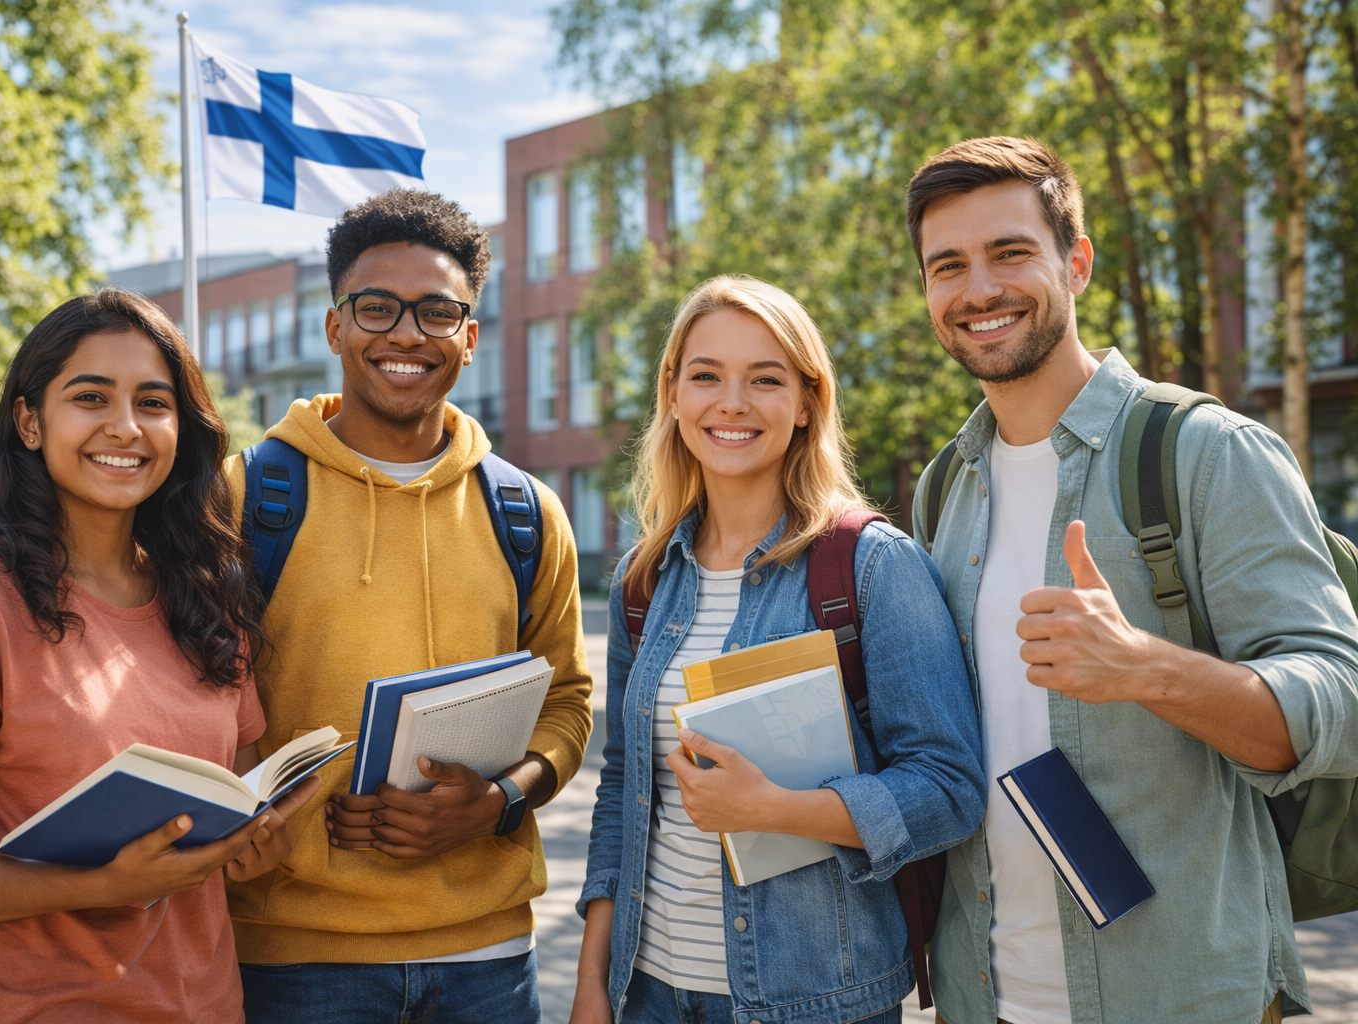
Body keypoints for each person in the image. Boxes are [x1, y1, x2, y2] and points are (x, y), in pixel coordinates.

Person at [905, 136, 1358, 1024]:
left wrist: (1146, 668)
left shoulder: (1206, 453)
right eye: (946, 265)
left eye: (1010, 253)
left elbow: (1340, 699)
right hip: (981, 993)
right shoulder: (944, 487)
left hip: (1184, 992)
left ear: (1075, 264)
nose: (978, 289)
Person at [0, 289, 317, 1023]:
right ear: (30, 421)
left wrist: (253, 848)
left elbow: (224, 810)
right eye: (91, 396)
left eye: (153, 402)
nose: (126, 427)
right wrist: (99, 885)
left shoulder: (207, 602)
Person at [569, 274, 985, 1024]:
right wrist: (592, 981)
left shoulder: (871, 566)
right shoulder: (644, 579)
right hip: (648, 992)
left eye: (765, 379)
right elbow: (624, 784)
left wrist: (778, 809)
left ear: (805, 404)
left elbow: (951, 789)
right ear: (672, 394)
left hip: (812, 1001)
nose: (732, 402)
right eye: (706, 377)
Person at [224, 189, 593, 1024]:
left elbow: (568, 703)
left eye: (436, 312)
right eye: (377, 308)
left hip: (489, 957)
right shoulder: (247, 495)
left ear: (468, 337)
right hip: (295, 957)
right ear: (335, 327)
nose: (404, 335)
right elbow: (191, 695)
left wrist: (497, 801)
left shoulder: (526, 511)